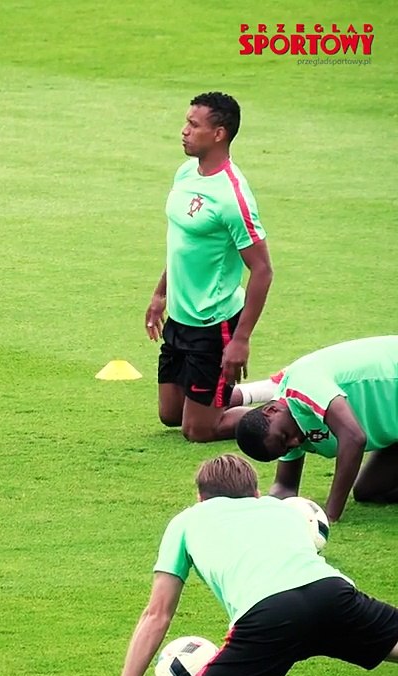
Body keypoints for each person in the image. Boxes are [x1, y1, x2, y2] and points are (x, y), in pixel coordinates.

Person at [88, 454, 398, 676]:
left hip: (268, 615)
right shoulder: (282, 510)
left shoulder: (185, 521)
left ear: (200, 497)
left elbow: (157, 615)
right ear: (257, 493)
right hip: (333, 593)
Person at [148, 92, 273, 443]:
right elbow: (183, 244)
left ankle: (288, 408)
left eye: (193, 124)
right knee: (170, 415)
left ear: (218, 134)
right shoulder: (186, 172)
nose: (184, 131)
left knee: (197, 431)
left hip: (213, 324)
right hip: (180, 318)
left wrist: (240, 339)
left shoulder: (233, 197)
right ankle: (248, 393)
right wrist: (160, 294)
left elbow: (262, 270)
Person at [235, 335, 398, 522]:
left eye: (285, 437)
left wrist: (329, 515)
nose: (295, 442)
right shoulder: (283, 426)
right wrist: (266, 511)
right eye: (287, 447)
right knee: (369, 489)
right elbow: (285, 486)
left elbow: (353, 438)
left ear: (271, 410)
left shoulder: (302, 384)